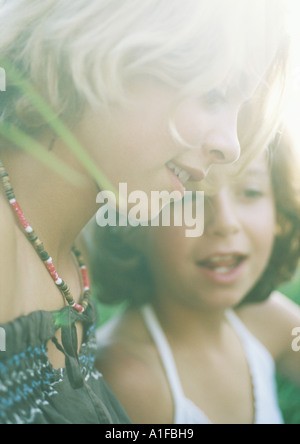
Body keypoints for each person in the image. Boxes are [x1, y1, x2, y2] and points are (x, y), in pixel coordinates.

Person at [0, 0, 290, 424]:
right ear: (109, 48)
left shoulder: (72, 258)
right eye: (213, 93)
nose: (231, 145)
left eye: (239, 108)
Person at [95, 128, 300, 424]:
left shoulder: (265, 319)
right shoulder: (128, 377)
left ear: (279, 214)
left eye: (251, 192)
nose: (226, 222)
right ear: (135, 222)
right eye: (191, 197)